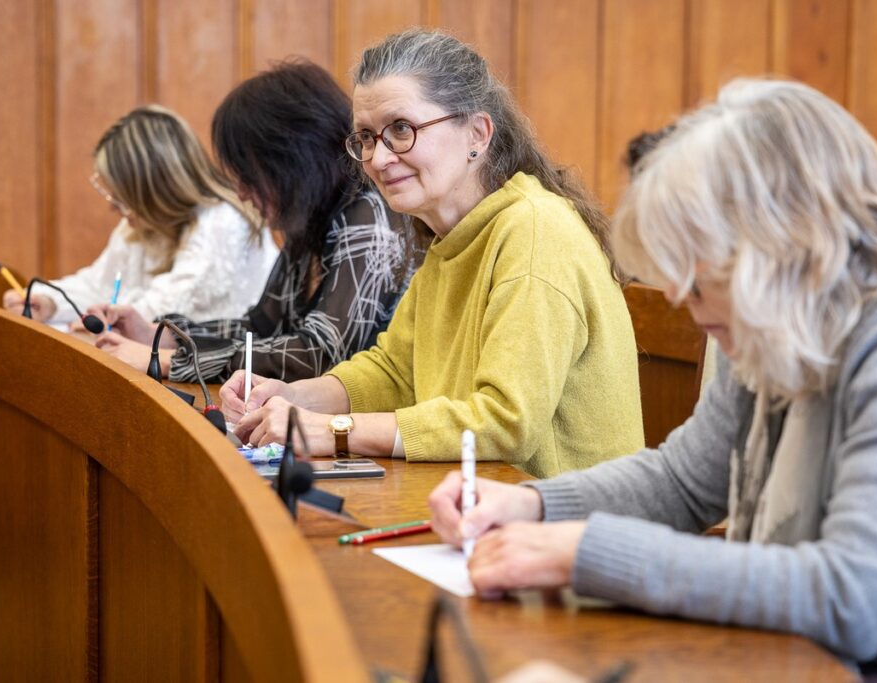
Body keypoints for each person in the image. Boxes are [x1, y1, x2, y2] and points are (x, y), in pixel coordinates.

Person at [428, 79, 877, 667]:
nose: (681, 296)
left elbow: (853, 598)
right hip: (784, 656)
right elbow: (685, 482)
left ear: (783, 244)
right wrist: (530, 505)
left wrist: (588, 553)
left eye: (698, 267)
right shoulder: (771, 318)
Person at [223, 29, 644, 478]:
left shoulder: (536, 231)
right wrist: (294, 397)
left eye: (401, 129)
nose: (378, 159)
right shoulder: (453, 237)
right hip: (483, 499)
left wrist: (334, 430)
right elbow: (394, 372)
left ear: (477, 133)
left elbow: (505, 422)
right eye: (366, 137)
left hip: (563, 513)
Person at [92, 61, 408, 382]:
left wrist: (169, 360)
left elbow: (319, 355)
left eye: (249, 176)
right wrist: (164, 336)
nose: (241, 193)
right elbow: (260, 327)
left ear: (294, 162)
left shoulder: (369, 217)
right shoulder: (310, 220)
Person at [3, 105, 276, 328]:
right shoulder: (139, 225)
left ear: (156, 191)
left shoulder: (224, 222)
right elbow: (99, 284)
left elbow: (163, 311)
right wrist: (48, 301)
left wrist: (100, 316)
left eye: (123, 200)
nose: (115, 210)